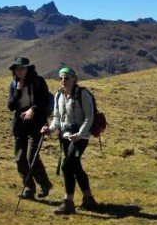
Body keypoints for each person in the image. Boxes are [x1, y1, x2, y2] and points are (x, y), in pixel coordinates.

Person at [41, 67, 98, 215]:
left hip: (81, 137)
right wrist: (50, 129)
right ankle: (88, 199)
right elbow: (57, 118)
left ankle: (68, 202)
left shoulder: (82, 94)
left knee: (67, 166)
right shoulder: (58, 96)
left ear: (74, 79)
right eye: (60, 78)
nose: (63, 81)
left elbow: (89, 117)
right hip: (65, 136)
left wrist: (79, 134)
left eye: (66, 78)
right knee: (75, 166)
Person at [7, 56, 53, 199]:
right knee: (20, 158)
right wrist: (18, 91)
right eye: (16, 69)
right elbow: (11, 106)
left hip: (37, 124)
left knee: (31, 156)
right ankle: (29, 188)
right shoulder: (14, 84)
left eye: (21, 68)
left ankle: (44, 184)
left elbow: (44, 100)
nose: (19, 71)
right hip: (20, 125)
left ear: (28, 68)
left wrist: (33, 109)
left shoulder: (39, 81)